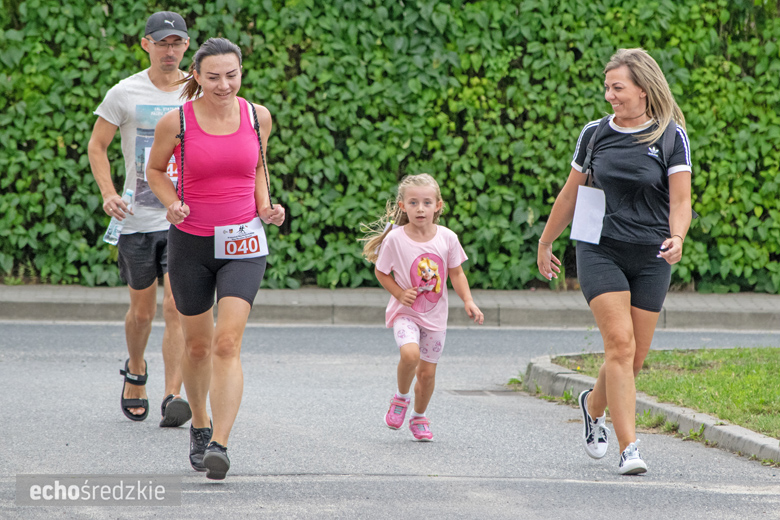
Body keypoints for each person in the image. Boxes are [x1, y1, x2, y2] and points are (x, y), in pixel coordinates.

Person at [536, 48, 693, 475]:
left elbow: (681, 201)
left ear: (643, 89)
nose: (609, 95)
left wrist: (678, 237)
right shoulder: (594, 134)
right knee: (620, 346)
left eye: (617, 87)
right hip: (599, 247)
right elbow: (571, 192)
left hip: (652, 255)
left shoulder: (671, 136)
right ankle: (630, 449)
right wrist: (547, 241)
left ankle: (592, 404)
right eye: (607, 87)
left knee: (633, 359)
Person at [146, 37, 286, 480]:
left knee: (227, 343)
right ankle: (200, 424)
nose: (224, 84)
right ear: (197, 76)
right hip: (190, 244)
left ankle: (220, 443)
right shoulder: (177, 122)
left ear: (241, 72)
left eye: (232, 75)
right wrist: (171, 202)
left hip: (243, 243)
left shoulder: (258, 116)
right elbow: (154, 171)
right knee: (197, 346)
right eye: (213, 77)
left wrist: (266, 206)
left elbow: (258, 167)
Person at [88, 11, 192, 427]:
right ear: (146, 44)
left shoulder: (199, 90)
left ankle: (173, 394)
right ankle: (135, 367)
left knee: (177, 308)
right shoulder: (124, 92)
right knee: (143, 312)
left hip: (183, 217)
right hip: (137, 217)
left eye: (177, 43)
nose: (170, 50)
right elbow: (97, 146)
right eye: (162, 43)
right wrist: (108, 193)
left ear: (186, 46)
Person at [362, 174, 484, 442]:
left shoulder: (447, 238)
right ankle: (401, 397)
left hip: (435, 317)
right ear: (402, 206)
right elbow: (381, 272)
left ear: (438, 205)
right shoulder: (395, 239)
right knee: (410, 355)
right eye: (413, 202)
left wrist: (468, 300)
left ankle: (419, 417)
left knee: (427, 374)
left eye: (427, 202)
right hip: (406, 313)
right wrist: (399, 293)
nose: (420, 208)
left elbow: (457, 273)